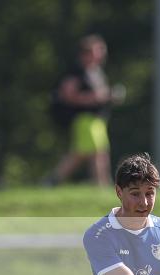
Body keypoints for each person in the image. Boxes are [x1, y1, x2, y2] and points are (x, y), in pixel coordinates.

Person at [47, 34, 124, 186]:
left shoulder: (95, 71)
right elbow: (67, 95)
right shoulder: (76, 71)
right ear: (86, 53)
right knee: (91, 152)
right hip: (83, 118)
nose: (102, 54)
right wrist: (95, 97)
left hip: (97, 119)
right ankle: (100, 185)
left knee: (92, 152)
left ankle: (53, 181)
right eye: (98, 50)